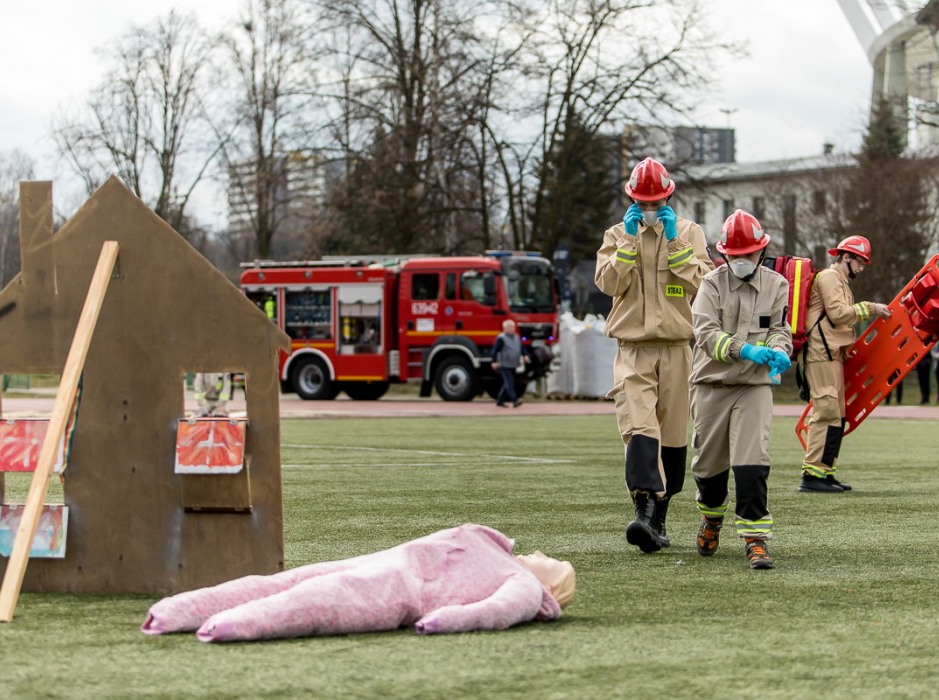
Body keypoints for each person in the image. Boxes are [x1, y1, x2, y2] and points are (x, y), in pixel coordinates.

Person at [140, 524, 575, 643]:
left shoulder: (523, 586)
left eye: (550, 562)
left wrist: (446, 620)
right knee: (285, 581)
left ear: (550, 591)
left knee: (318, 599)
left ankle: (232, 624)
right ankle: (178, 609)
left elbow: (494, 613)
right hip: (384, 561)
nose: (539, 554)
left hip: (402, 589)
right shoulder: (495, 544)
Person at [595, 157, 713, 553]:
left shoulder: (690, 232)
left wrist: (675, 240)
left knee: (673, 436)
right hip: (633, 348)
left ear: (668, 198)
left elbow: (701, 282)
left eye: (656, 202)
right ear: (631, 200)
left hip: (677, 348)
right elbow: (608, 284)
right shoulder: (616, 235)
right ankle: (643, 511)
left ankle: (659, 519)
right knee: (640, 427)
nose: (648, 208)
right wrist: (627, 244)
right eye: (642, 202)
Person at [689, 210, 791, 570]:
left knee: (752, 460)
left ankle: (755, 539)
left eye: (748, 254)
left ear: (761, 252)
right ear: (724, 254)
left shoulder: (777, 285)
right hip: (711, 383)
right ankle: (711, 518)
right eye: (735, 255)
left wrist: (780, 350)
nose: (742, 260)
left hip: (754, 385)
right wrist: (743, 349)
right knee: (709, 465)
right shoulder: (711, 284)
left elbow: (780, 328)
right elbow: (705, 333)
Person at [798, 235, 891, 493]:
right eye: (860, 262)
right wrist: (871, 308)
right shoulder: (829, 277)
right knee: (826, 410)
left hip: (831, 353)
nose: (861, 267)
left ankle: (825, 472)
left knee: (837, 413)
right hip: (820, 353)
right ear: (846, 257)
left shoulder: (839, 281)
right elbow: (838, 314)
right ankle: (811, 474)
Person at [491, 319, 530, 407]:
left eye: (513, 327)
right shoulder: (501, 338)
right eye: (510, 327)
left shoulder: (516, 337)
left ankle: (500, 400)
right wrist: (494, 361)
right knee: (510, 382)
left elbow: (521, 347)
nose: (513, 328)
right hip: (504, 364)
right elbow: (495, 350)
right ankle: (515, 401)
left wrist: (525, 355)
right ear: (505, 328)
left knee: (507, 383)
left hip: (514, 363)